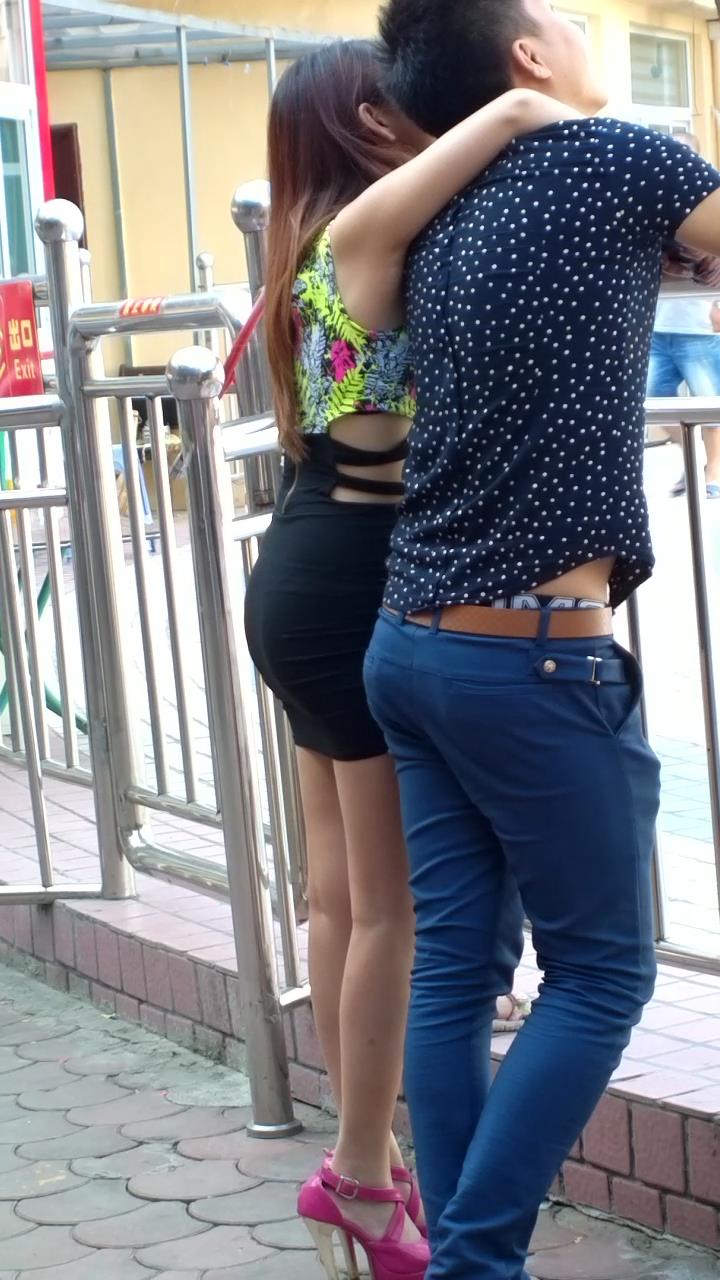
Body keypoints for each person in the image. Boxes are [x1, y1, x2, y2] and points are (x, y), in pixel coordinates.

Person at [361, 2, 720, 1278]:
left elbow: (358, 277)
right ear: (524, 56)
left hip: (412, 643)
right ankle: (475, 1258)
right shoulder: (620, 158)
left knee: (458, 967)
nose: (577, 22)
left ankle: (469, 1261)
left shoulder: (439, 203)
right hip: (533, 656)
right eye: (558, 11)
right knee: (605, 971)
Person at [243, 38, 579, 1280]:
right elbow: (509, 131)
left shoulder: (302, 258)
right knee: (393, 907)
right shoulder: (381, 240)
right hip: (353, 580)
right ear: (366, 120)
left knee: (341, 894)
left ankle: (366, 1155)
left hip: (298, 570)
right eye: (387, 95)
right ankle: (363, 1179)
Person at [647, 143, 720, 501]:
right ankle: (693, 459)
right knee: (651, 403)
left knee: (710, 404)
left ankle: (713, 471)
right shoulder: (651, 208)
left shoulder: (704, 204)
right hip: (659, 329)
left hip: (697, 329)